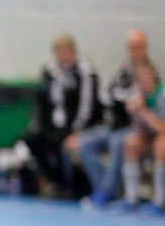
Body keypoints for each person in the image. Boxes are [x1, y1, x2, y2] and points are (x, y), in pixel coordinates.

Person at [22, 33, 100, 199]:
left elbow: (87, 106)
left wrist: (77, 131)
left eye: (66, 51)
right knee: (32, 140)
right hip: (54, 124)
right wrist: (40, 126)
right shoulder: (49, 70)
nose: (62, 55)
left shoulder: (85, 72)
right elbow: (42, 101)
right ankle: (56, 182)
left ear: (73, 51)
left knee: (63, 143)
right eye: (59, 51)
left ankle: (74, 185)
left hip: (76, 125)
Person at [78, 29, 151, 206]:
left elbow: (144, 100)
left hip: (136, 127)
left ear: (145, 48)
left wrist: (123, 99)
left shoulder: (150, 72)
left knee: (118, 142)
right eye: (132, 47)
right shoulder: (120, 70)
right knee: (85, 143)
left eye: (138, 47)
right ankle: (103, 189)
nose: (135, 51)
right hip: (115, 124)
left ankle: (106, 194)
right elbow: (106, 96)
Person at [120, 60, 165, 211]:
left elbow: (162, 129)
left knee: (161, 145)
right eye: (140, 80)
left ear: (154, 78)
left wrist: (143, 112)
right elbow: (140, 132)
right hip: (150, 137)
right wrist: (135, 113)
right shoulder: (138, 97)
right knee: (131, 142)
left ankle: (159, 201)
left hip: (162, 137)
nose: (144, 83)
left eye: (147, 78)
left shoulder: (162, 95)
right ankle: (131, 199)